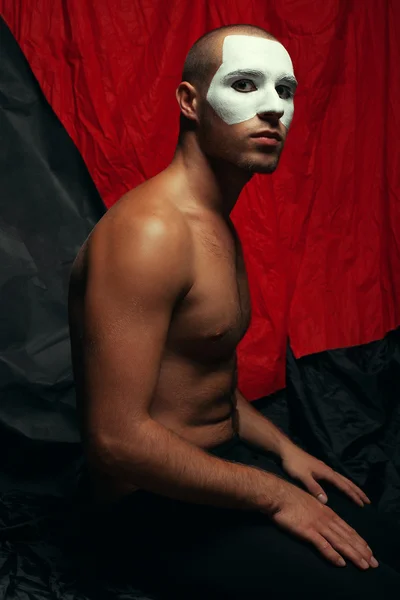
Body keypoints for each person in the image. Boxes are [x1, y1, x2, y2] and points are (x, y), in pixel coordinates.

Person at [68, 24, 400, 599]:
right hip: (149, 511)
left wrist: (284, 450)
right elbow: (116, 440)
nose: (273, 108)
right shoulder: (150, 233)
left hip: (220, 474)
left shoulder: (212, 218)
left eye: (286, 90)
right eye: (245, 84)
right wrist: (275, 493)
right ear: (190, 103)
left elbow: (197, 374)